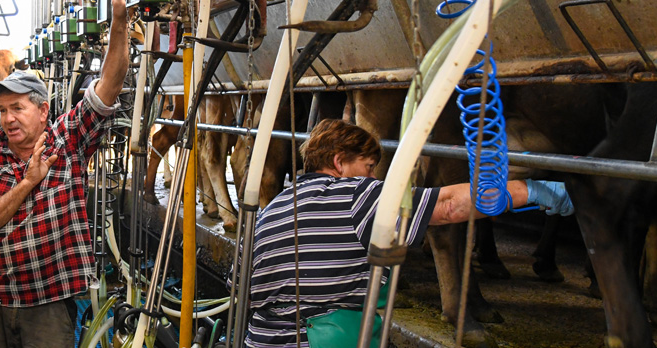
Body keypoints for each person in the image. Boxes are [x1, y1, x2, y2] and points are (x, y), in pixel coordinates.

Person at [245, 119, 574, 348]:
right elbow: (446, 206)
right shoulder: (358, 196)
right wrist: (531, 190)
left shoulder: (273, 207)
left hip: (260, 339)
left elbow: (241, 289)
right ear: (338, 162)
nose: (373, 177)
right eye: (369, 167)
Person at [0, 1, 129, 346]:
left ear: (42, 111)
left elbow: (109, 86)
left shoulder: (67, 141)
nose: (8, 119)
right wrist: (27, 182)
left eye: (17, 108)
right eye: (3, 110)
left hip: (48, 302)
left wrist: (119, 19)